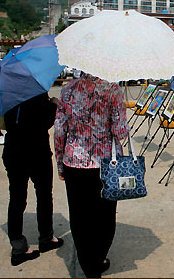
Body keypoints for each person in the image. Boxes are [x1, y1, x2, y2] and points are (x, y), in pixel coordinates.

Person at [54, 72, 130, 278]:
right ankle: (98, 259)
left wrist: (60, 164)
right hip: (106, 164)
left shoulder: (67, 89)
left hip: (74, 163)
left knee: (79, 216)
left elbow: (60, 130)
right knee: (105, 216)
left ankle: (87, 265)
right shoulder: (113, 90)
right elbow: (120, 131)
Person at [3, 93, 64, 266]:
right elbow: (45, 122)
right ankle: (46, 237)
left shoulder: (6, 92)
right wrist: (53, 105)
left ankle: (18, 247)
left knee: (16, 198)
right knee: (44, 194)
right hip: (36, 151)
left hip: (13, 150)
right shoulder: (36, 92)